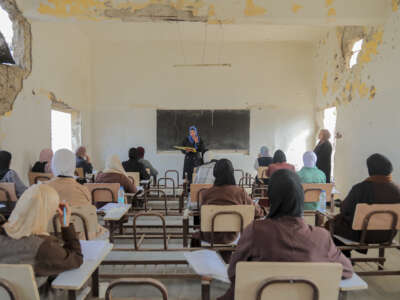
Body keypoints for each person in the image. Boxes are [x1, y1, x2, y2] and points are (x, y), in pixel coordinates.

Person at [218, 169, 353, 300]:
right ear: (301, 198)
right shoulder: (321, 237)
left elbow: (233, 272)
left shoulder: (255, 231)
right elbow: (346, 270)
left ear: (271, 198)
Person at [0, 184, 83, 279]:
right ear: (49, 211)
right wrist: (65, 224)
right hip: (35, 293)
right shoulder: (44, 247)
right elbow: (76, 259)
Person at [326, 154, 400, 246]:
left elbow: (345, 209)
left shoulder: (360, 188)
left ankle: (343, 255)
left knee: (330, 225)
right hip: (388, 235)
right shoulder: (397, 189)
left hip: (362, 234)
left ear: (370, 170)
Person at [193, 159, 265, 246]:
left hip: (210, 236)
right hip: (231, 237)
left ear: (214, 173)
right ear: (232, 172)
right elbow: (257, 213)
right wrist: (263, 210)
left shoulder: (206, 193)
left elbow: (202, 216)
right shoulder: (240, 192)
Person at [47, 149, 107, 240]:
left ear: (53, 165)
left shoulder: (42, 189)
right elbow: (89, 216)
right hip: (81, 240)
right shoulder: (82, 190)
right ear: (73, 166)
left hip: (51, 240)